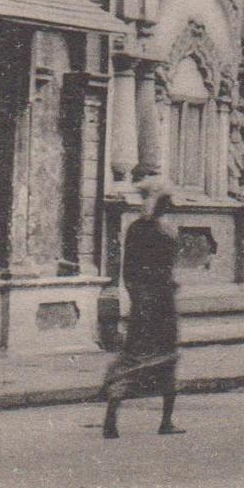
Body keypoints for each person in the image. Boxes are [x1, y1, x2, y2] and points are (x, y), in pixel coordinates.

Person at [103, 179, 183, 439]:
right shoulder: (164, 230)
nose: (171, 205)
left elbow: (129, 271)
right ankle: (166, 421)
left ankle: (111, 419)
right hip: (162, 303)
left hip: (144, 303)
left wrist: (138, 297)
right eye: (167, 201)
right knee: (167, 357)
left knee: (134, 355)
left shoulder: (135, 228)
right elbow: (164, 269)